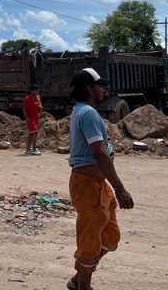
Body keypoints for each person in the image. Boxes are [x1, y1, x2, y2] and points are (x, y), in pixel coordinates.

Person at [66, 67, 134, 290]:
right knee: (90, 239)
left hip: (97, 184)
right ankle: (82, 286)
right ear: (89, 88)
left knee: (110, 236)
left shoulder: (84, 112)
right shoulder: (87, 113)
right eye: (100, 86)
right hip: (87, 185)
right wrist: (120, 188)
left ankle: (78, 279)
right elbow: (99, 153)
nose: (104, 90)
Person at [23, 85, 43, 155]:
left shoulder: (37, 98)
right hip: (30, 118)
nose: (37, 92)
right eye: (35, 90)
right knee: (35, 132)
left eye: (37, 91)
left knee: (31, 133)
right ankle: (34, 149)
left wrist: (40, 113)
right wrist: (27, 118)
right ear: (32, 91)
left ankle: (28, 149)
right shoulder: (27, 98)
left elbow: (40, 107)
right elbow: (24, 109)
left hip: (36, 118)